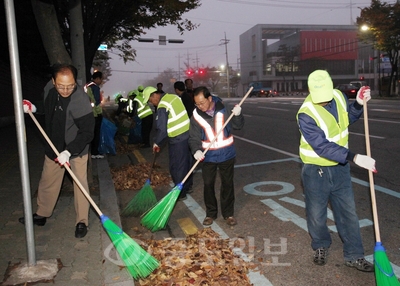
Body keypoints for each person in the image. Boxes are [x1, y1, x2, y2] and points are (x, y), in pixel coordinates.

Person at [296, 70, 375, 272]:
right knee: (316, 214)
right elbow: (321, 146)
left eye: (326, 98)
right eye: (319, 99)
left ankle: (354, 255)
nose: (323, 102)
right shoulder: (306, 113)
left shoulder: (339, 96)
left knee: (348, 213)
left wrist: (357, 104)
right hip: (315, 170)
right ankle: (321, 245)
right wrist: (355, 157)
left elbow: (346, 119)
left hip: (340, 169)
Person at [20, 64, 94, 238]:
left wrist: (69, 152)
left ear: (75, 82)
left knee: (80, 184)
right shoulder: (50, 89)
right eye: (61, 86)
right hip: (54, 144)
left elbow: (87, 132)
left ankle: (82, 221)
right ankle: (42, 214)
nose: (66, 90)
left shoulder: (80, 100)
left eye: (70, 86)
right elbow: (47, 107)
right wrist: (34, 108)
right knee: (48, 180)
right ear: (53, 81)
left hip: (76, 149)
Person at [188, 86, 244, 226]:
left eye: (202, 103)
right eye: (197, 104)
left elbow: (238, 126)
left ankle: (228, 214)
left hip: (227, 154)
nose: (200, 106)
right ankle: (211, 213)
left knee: (227, 184)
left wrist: (238, 115)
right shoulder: (195, 116)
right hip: (208, 156)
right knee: (208, 184)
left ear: (209, 98)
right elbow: (193, 137)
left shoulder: (225, 107)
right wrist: (196, 150)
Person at [143, 86, 193, 200]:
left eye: (151, 100)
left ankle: (180, 193)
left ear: (155, 95)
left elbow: (162, 130)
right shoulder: (172, 97)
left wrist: (157, 143)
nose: (152, 103)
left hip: (178, 138)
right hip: (187, 134)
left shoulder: (162, 106)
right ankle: (188, 186)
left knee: (177, 166)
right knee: (186, 163)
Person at [84, 71, 104, 159]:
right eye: (101, 79)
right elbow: (96, 102)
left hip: (89, 112)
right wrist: (99, 113)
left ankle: (92, 151)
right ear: (97, 79)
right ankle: (95, 153)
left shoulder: (87, 86)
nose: (101, 81)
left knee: (92, 133)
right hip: (95, 114)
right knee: (96, 134)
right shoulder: (95, 87)